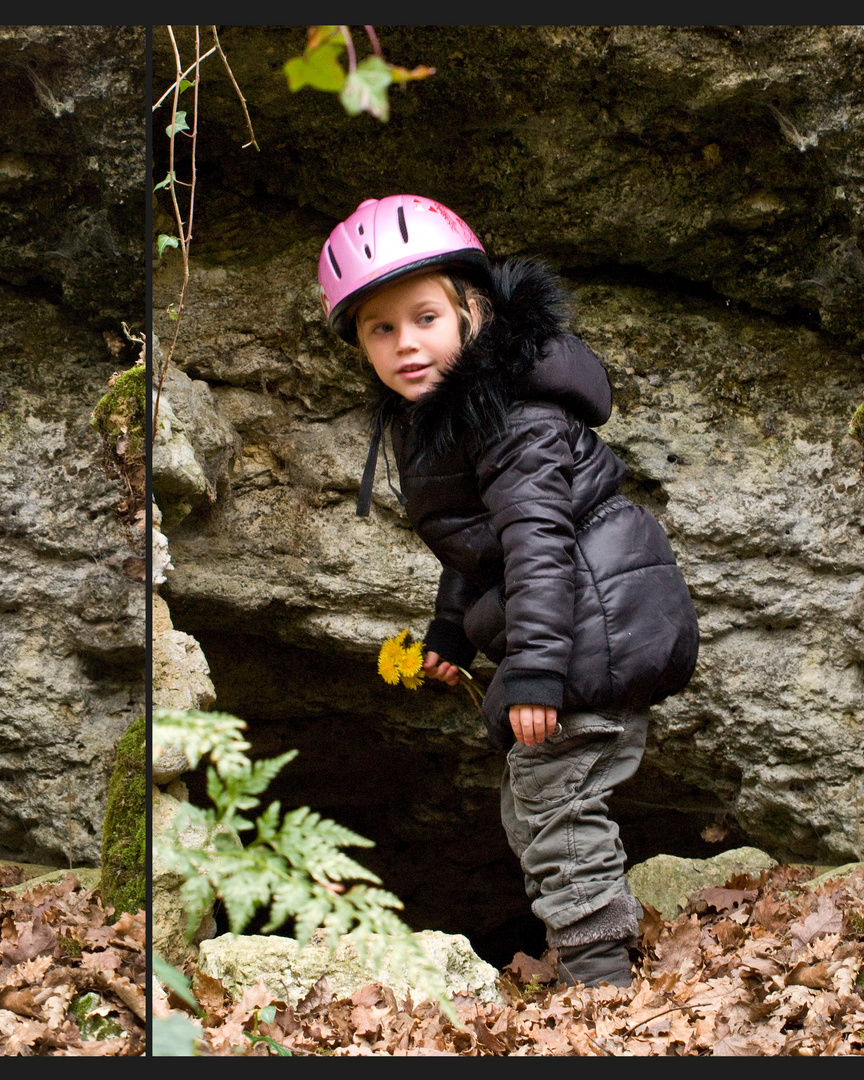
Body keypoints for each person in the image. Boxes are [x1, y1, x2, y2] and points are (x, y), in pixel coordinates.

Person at [319, 195, 698, 987]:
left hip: (594, 621)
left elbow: (537, 546)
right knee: (533, 804)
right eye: (379, 329)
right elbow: (478, 548)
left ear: (474, 309)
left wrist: (533, 672)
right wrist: (449, 635)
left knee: (555, 807)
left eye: (424, 317)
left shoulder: (514, 417)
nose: (405, 344)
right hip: (587, 615)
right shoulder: (456, 413)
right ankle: (600, 951)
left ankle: (603, 985)